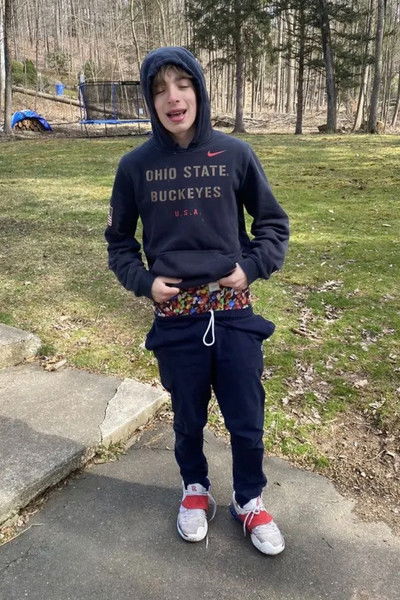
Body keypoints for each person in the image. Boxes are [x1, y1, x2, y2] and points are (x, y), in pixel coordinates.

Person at [105, 46, 289, 556]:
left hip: (232, 313)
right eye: (160, 89)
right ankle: (195, 489)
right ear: (150, 100)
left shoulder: (235, 154)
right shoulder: (135, 166)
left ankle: (248, 500)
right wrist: (144, 283)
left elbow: (273, 224)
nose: (173, 98)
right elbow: (119, 242)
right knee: (188, 418)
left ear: (199, 91)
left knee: (247, 419)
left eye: (182, 85)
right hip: (176, 319)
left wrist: (250, 267)